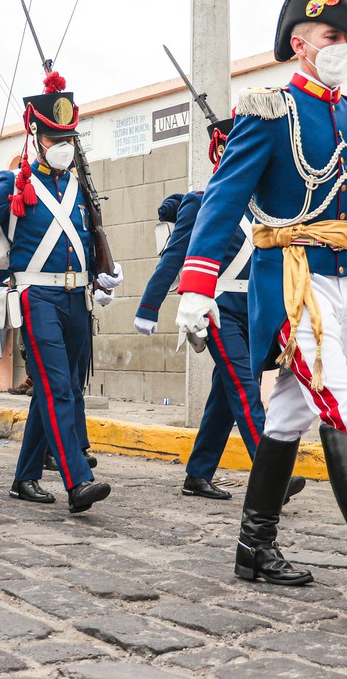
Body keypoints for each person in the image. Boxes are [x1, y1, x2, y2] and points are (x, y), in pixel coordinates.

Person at [175, 0, 347, 618]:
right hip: (291, 281)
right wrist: (197, 285)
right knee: (338, 401)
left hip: (343, 285)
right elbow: (222, 200)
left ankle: (253, 545)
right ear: (300, 44)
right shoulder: (270, 110)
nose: (341, 49)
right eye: (331, 37)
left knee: (289, 418)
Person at [0, 71, 119, 514]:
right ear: (36, 137)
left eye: (68, 136)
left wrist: (104, 273)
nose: (63, 144)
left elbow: (90, 237)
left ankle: (25, 475)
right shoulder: (15, 184)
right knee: (57, 387)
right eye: (54, 136)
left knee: (61, 385)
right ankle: (77, 479)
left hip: (76, 299)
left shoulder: (79, 185)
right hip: (37, 297)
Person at [137, 118, 304, 503]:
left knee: (224, 395)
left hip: (257, 309)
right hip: (217, 309)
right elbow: (174, 259)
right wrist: (149, 307)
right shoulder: (202, 200)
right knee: (245, 388)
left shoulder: (268, 207)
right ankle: (272, 473)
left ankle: (198, 473)